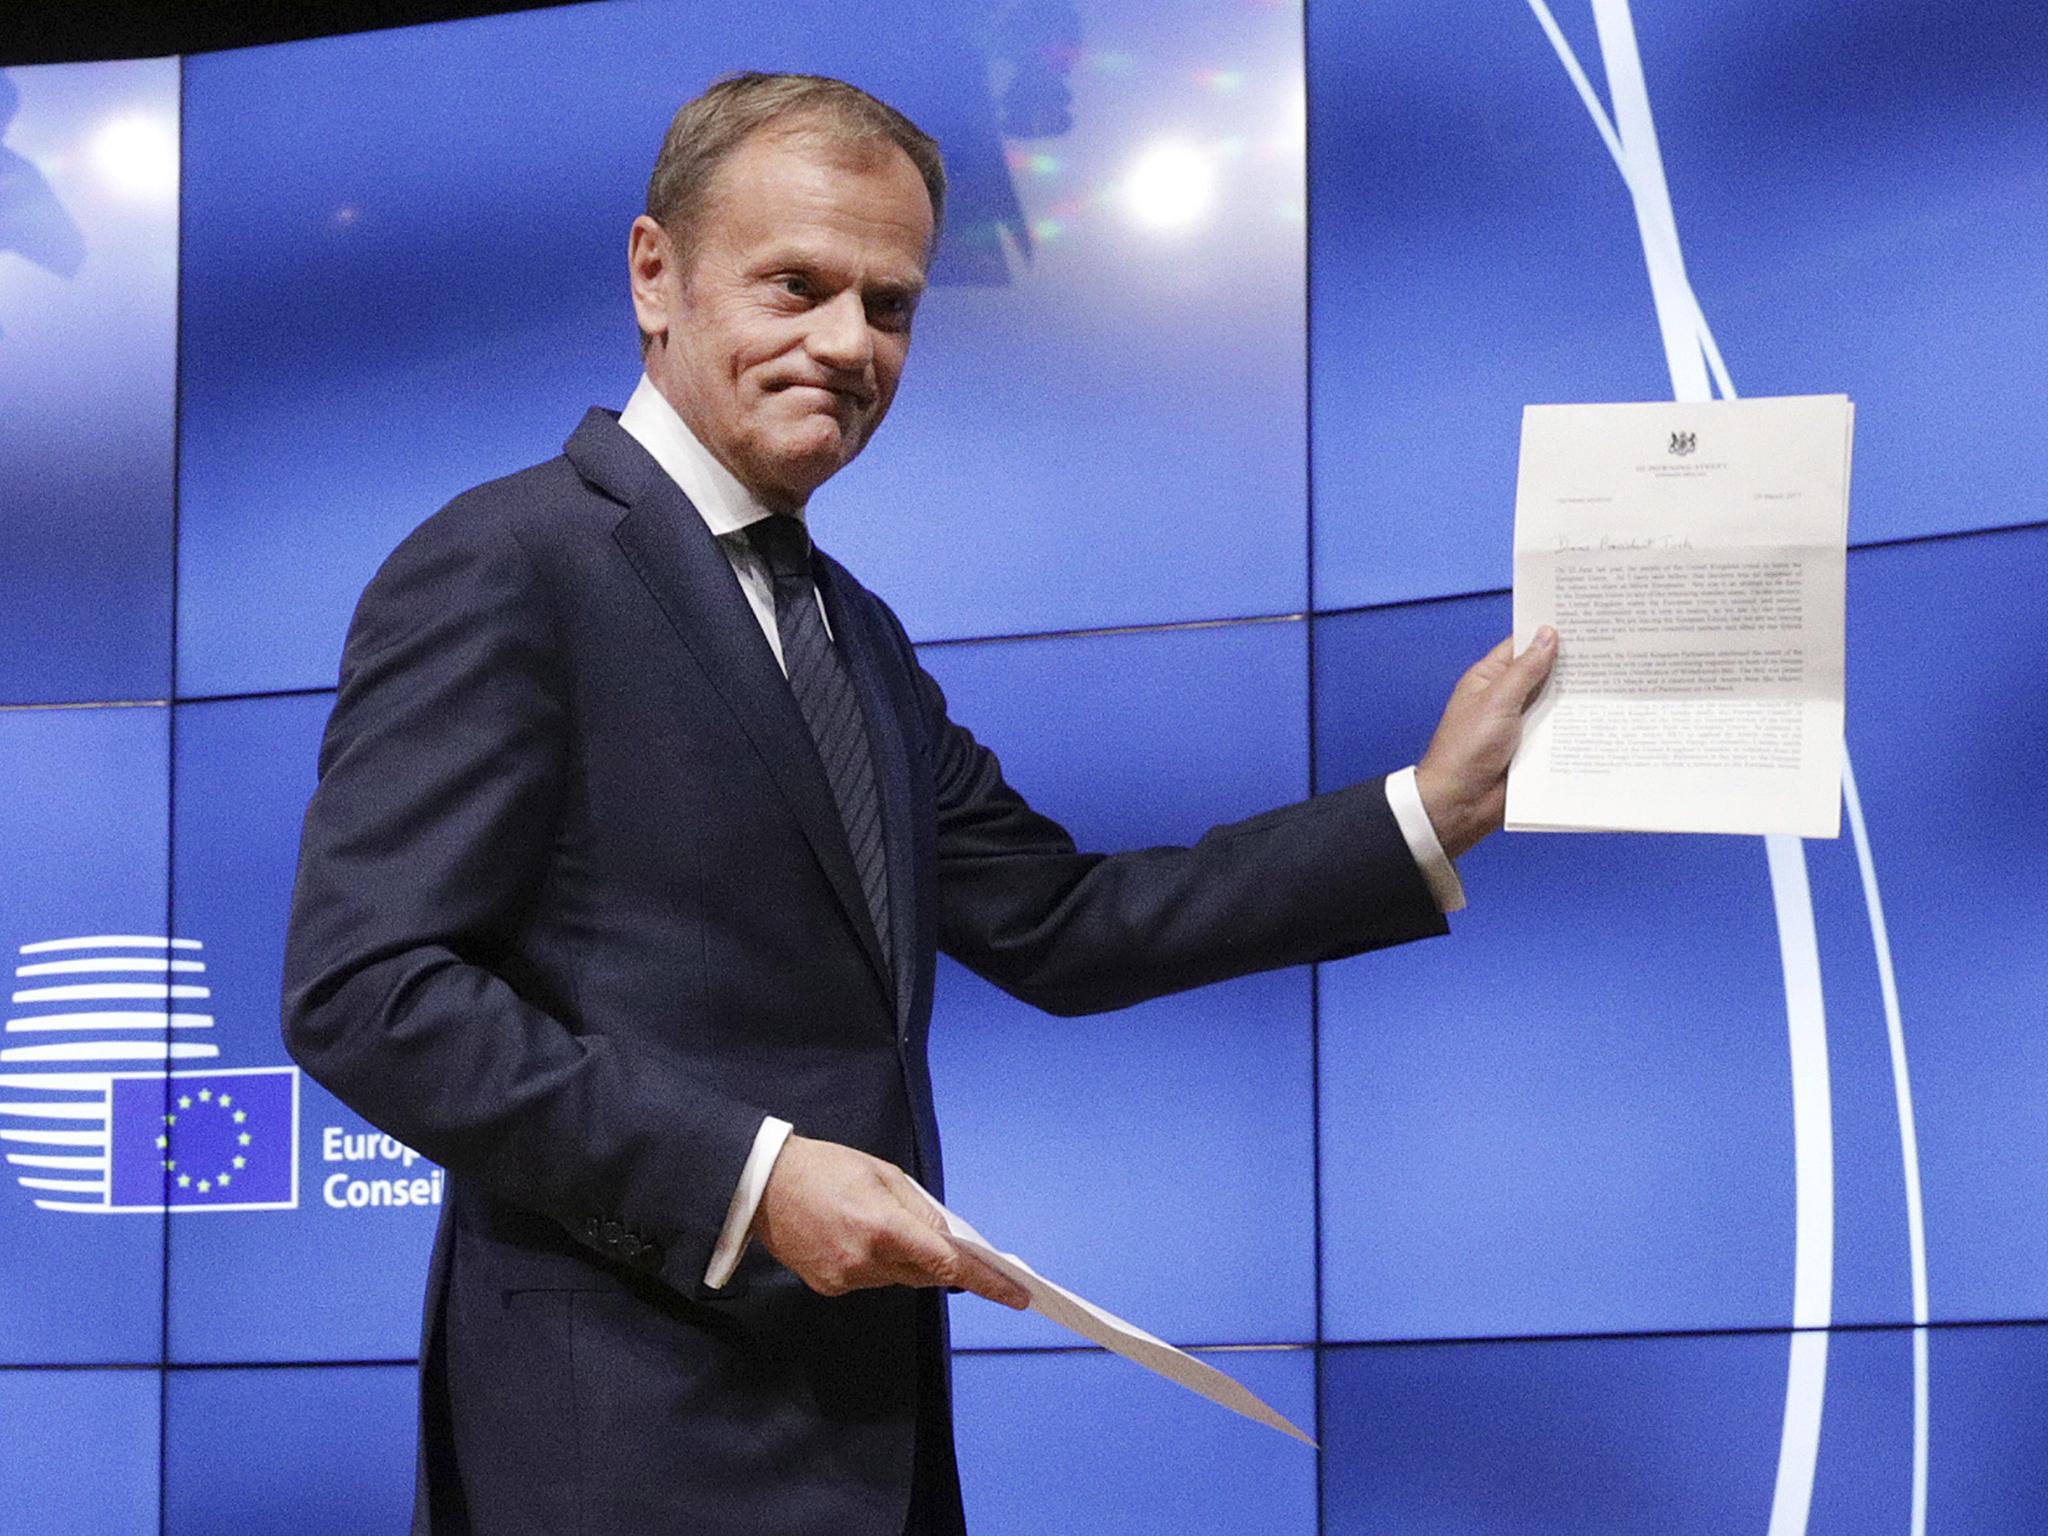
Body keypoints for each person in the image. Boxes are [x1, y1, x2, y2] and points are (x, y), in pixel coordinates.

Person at [281, 71, 1556, 1536]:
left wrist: (1428, 812)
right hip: (619, 1451)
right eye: (798, 286)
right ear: (656, 274)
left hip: (864, 1446)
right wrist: (752, 1183)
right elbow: (365, 990)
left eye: (888, 307)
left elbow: (1068, 923)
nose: (847, 345)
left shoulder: (853, 633)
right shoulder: (507, 564)